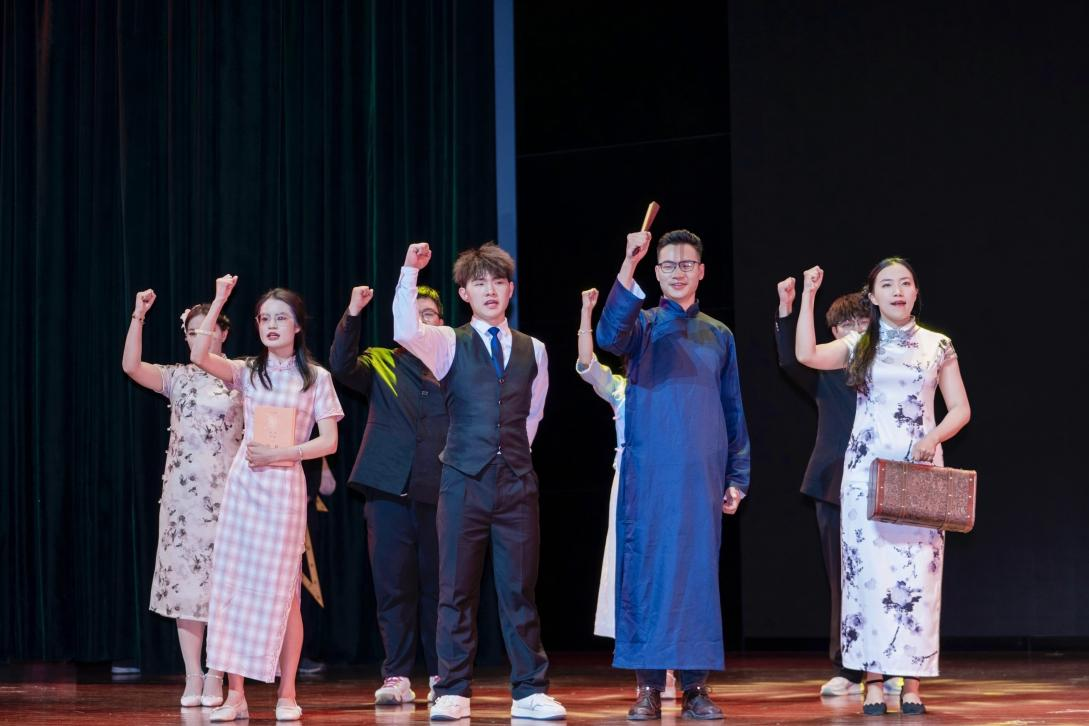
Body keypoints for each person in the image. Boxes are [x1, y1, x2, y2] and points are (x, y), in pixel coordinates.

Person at [393, 242, 565, 721]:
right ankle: (451, 689)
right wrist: (409, 271)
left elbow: (533, 414)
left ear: (511, 289)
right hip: (462, 480)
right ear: (464, 293)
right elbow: (404, 329)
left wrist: (510, 457)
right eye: (480, 282)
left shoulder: (535, 349)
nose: (490, 290)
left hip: (516, 484)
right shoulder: (448, 341)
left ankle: (529, 690)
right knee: (455, 588)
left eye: (499, 281)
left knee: (519, 589)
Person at [794, 259, 970, 716]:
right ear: (872, 296)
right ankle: (872, 681)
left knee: (918, 579)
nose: (897, 291)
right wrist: (808, 296)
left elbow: (959, 408)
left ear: (915, 292)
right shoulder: (859, 344)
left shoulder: (937, 344)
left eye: (905, 283)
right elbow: (807, 355)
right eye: (887, 285)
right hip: (865, 475)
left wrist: (932, 438)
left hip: (919, 472)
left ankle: (912, 683)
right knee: (866, 580)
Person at [596, 229, 751, 721]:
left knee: (697, 579)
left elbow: (733, 409)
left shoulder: (719, 335)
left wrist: (738, 476)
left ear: (701, 271)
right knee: (648, 571)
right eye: (667, 265)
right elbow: (608, 336)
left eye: (686, 264)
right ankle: (647, 687)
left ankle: (695, 688)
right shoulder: (642, 326)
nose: (678, 272)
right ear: (657, 272)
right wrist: (628, 262)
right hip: (650, 474)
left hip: (703, 475)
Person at [191, 275, 344, 722]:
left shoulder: (316, 378)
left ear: (297, 326)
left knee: (286, 593)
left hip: (284, 488)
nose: (272, 325)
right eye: (264, 319)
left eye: (281, 318)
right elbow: (199, 354)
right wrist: (220, 299)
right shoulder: (247, 372)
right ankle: (235, 694)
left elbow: (329, 441)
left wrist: (283, 453)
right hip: (245, 486)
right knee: (233, 588)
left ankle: (287, 691)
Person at [329, 283, 449, 706]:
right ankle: (396, 675)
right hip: (387, 491)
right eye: (413, 315)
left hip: (440, 492)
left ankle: (442, 675)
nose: (420, 322)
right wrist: (353, 313)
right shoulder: (381, 360)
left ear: (441, 324)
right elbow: (341, 365)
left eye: (428, 315)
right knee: (392, 587)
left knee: (440, 589)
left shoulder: (452, 366)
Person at [122, 292, 243, 708]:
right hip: (184, 499)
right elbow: (131, 366)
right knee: (187, 586)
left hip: (230, 495)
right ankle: (193, 675)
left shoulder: (241, 375)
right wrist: (139, 315)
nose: (198, 338)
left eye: (205, 330)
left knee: (225, 588)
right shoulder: (178, 376)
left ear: (222, 333)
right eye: (191, 332)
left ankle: (217, 674)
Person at [775, 280, 886, 696]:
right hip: (834, 483)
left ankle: (890, 667)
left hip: (884, 484)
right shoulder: (825, 372)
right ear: (834, 333)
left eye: (863, 322)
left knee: (887, 576)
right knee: (843, 577)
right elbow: (792, 360)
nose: (856, 331)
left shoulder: (890, 368)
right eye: (846, 326)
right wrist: (788, 309)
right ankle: (847, 668)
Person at [575, 287, 678, 700]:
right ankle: (646, 672)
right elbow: (587, 363)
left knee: (668, 572)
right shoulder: (620, 389)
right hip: (631, 488)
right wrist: (587, 313)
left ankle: (671, 663)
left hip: (668, 488)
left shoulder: (670, 393)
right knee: (632, 574)